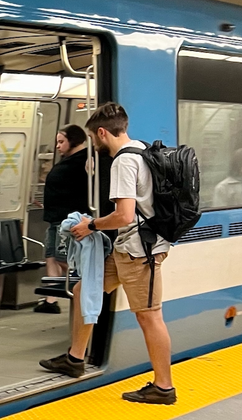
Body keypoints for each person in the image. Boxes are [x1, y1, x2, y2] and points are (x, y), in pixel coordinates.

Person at [40, 102, 176, 404]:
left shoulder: (123, 163)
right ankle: (75, 357)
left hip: (141, 251)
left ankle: (164, 387)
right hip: (127, 249)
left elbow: (124, 215)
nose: (95, 144)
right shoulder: (141, 148)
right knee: (83, 288)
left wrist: (92, 225)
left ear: (102, 133)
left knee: (149, 316)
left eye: (94, 137)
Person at [35, 125, 91, 314]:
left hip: (68, 219)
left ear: (73, 141)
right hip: (55, 217)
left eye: (61, 142)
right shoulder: (67, 160)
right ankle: (51, 300)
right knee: (50, 256)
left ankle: (85, 285)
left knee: (63, 258)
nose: (58, 146)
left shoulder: (85, 160)